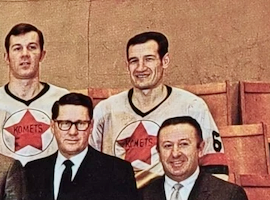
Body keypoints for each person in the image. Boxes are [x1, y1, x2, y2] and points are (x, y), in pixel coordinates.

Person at [90, 31, 226, 188]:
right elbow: (87, 165)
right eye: (134, 61)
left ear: (164, 61)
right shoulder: (106, 110)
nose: (140, 68)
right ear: (127, 66)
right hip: (117, 198)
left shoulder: (192, 106)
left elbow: (216, 167)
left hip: (171, 198)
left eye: (149, 59)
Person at [0, 24, 68, 165]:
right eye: (17, 48)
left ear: (42, 55)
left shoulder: (63, 100)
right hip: (4, 179)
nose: (25, 54)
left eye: (32, 47)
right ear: (6, 57)